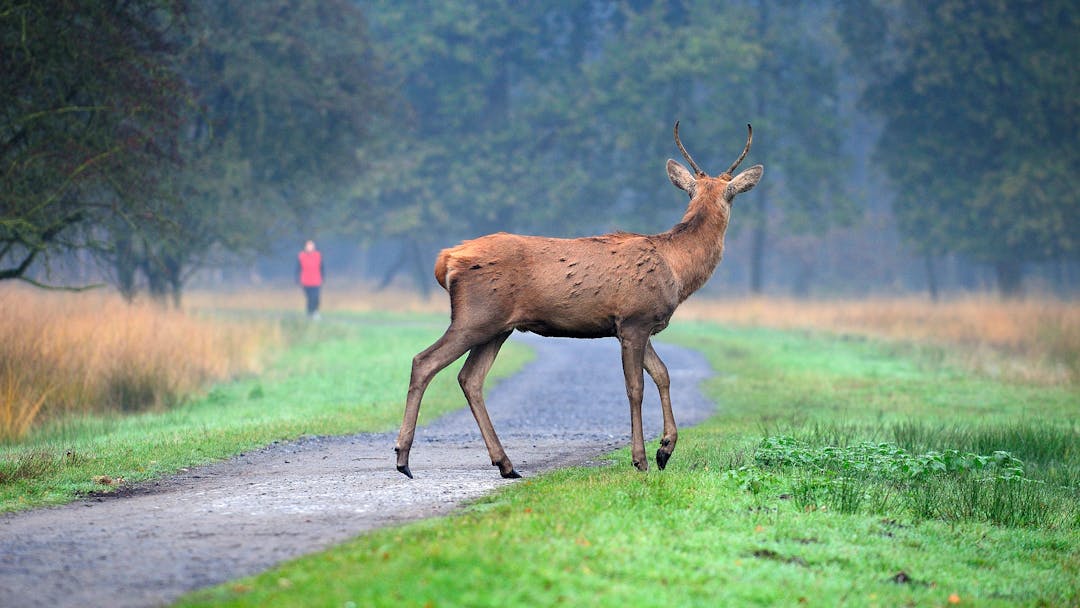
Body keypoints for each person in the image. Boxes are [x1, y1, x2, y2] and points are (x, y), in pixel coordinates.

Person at [296, 240, 324, 319]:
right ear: (305, 247)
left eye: (311, 246)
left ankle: (315, 312)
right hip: (306, 281)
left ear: (314, 247)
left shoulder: (318, 255)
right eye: (308, 246)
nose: (310, 247)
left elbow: (321, 267)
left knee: (316, 297)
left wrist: (323, 278)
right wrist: (297, 279)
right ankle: (309, 313)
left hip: (316, 280)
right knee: (309, 298)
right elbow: (298, 268)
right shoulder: (301, 256)